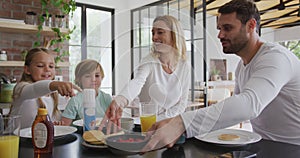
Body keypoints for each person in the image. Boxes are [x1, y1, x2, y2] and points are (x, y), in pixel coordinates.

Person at [141, 0, 300, 151]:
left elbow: (248, 105)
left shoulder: (276, 58)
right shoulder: (242, 65)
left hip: (293, 147)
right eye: (219, 29)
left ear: (251, 26)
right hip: (262, 145)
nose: (220, 35)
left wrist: (182, 123)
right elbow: (234, 110)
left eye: (227, 28)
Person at [99, 15, 191, 133]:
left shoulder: (184, 66)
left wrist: (165, 121)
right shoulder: (149, 61)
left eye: (160, 32)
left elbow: (182, 103)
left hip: (171, 127)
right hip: (148, 128)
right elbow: (137, 82)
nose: (154, 37)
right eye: (153, 33)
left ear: (174, 36)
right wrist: (120, 100)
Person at [9, 48, 81, 129]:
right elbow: (34, 89)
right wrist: (54, 84)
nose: (47, 69)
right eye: (40, 66)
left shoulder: (54, 95)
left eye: (51, 66)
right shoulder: (21, 88)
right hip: (18, 141)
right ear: (27, 69)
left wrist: (56, 126)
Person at [61, 59, 112, 126]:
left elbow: (113, 121)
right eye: (88, 76)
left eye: (97, 76)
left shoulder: (106, 98)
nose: (93, 79)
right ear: (79, 79)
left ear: (102, 77)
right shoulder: (75, 101)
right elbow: (64, 126)